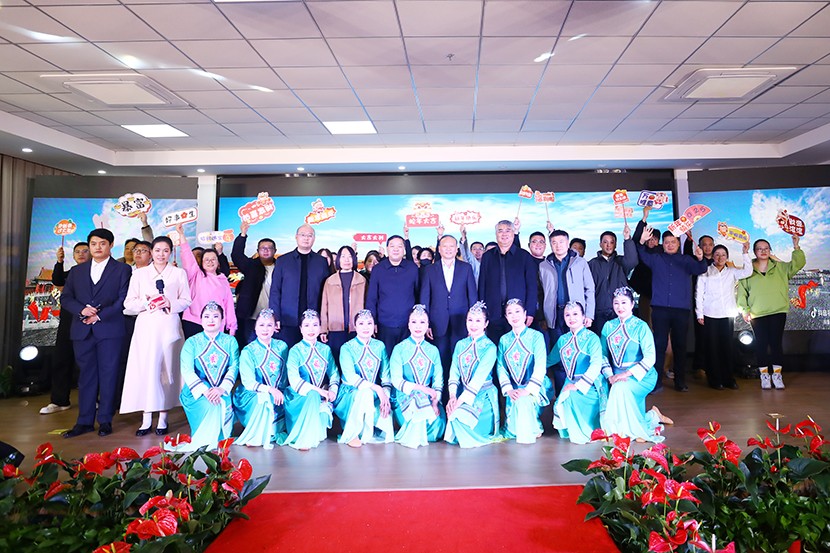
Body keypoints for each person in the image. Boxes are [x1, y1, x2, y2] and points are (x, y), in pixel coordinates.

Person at [61, 228, 132, 438]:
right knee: (86, 377)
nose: (97, 247)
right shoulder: (77, 271)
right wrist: (82, 310)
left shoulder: (122, 269)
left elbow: (123, 299)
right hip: (82, 330)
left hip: (110, 330)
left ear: (111, 245)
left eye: (102, 243)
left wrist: (99, 316)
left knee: (109, 375)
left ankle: (105, 420)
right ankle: (84, 422)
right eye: (93, 244)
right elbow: (66, 298)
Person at [121, 236, 191, 436]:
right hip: (146, 326)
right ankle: (145, 419)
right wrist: (147, 302)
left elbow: (186, 300)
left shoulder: (178, 273)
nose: (161, 254)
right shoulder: (139, 274)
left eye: (165, 250)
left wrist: (169, 303)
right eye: (157, 250)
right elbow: (128, 303)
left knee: (166, 369)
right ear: (151, 252)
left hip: (169, 325)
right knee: (146, 369)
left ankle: (163, 418)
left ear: (171, 252)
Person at [636, 227, 707, 392]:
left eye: (673, 242)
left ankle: (680, 382)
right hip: (660, 309)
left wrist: (700, 258)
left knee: (680, 346)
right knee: (659, 345)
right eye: (666, 242)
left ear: (678, 243)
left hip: (681, 310)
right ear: (663, 244)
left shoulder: (686, 260)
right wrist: (641, 241)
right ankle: (656, 382)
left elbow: (701, 269)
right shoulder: (656, 258)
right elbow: (642, 253)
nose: (669, 245)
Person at [600, 287, 672, 443]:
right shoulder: (608, 326)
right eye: (616, 303)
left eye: (624, 302)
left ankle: (633, 430)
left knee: (621, 387)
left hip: (642, 376)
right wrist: (609, 375)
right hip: (616, 375)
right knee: (617, 387)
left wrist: (626, 374)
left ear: (632, 304)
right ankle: (652, 416)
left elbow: (650, 357)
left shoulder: (641, 326)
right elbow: (603, 355)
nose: (620, 307)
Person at [737, 235, 805, 390]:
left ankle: (777, 375)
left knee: (775, 343)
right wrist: (744, 310)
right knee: (761, 344)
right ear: (754, 252)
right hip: (757, 313)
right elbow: (742, 293)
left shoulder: (780, 267)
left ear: (770, 250)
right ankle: (764, 376)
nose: (763, 251)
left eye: (766, 248)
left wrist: (796, 246)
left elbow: (798, 264)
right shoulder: (748, 270)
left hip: (778, 310)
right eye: (759, 249)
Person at [539, 229, 595, 394]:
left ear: (568, 243)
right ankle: (561, 395)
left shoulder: (580, 262)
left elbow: (589, 289)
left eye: (561, 242)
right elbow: (541, 293)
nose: (558, 246)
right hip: (555, 316)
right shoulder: (544, 265)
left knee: (579, 355)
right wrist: (543, 316)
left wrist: (589, 314)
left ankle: (578, 393)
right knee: (559, 358)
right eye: (554, 242)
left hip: (576, 316)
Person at [179, 302, 240, 449]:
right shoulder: (191, 342)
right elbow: (187, 370)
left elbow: (234, 366)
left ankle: (220, 439)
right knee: (211, 404)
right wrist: (205, 391)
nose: (211, 320)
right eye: (206, 316)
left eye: (215, 316)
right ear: (201, 320)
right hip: (197, 392)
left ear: (222, 319)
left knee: (220, 402)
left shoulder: (230, 341)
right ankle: (205, 440)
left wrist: (221, 389)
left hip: (221, 389)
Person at [419, 234, 477, 387]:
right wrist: (426, 322)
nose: (448, 249)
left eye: (452, 246)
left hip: (461, 321)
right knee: (440, 358)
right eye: (445, 246)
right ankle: (442, 393)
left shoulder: (466, 268)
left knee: (460, 358)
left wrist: (473, 323)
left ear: (457, 248)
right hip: (437, 322)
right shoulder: (430, 269)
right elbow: (425, 297)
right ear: (439, 249)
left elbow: (472, 296)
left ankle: (459, 392)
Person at [40, 242, 89, 415]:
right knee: (61, 360)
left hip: (89, 322)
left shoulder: (97, 273)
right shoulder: (71, 273)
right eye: (77, 252)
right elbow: (58, 280)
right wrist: (59, 261)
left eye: (85, 251)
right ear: (73, 256)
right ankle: (59, 401)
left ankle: (92, 400)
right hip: (68, 322)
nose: (81, 254)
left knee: (88, 364)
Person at [696, 242, 753, 390]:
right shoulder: (705, 271)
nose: (720, 257)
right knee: (712, 349)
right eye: (717, 255)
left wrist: (745, 253)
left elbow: (748, 271)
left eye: (723, 255)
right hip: (710, 314)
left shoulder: (732, 272)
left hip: (727, 315)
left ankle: (728, 378)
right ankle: (714, 380)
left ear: (727, 257)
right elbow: (699, 293)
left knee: (727, 348)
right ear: (712, 256)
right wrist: (699, 313)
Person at [548, 301, 607, 444]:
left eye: (575, 314)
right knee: (564, 400)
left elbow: (596, 364)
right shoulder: (562, 340)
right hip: (570, 382)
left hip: (591, 384)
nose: (571, 318)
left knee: (571, 397)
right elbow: (549, 360)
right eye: (567, 315)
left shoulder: (592, 338)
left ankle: (587, 432)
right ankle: (575, 431)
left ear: (583, 317)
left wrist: (578, 385)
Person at [334, 310, 393, 447]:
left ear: (374, 325)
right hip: (350, 393)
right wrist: (377, 388)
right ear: (355, 326)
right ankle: (352, 434)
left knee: (387, 430)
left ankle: (368, 432)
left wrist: (385, 396)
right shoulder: (347, 348)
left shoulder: (380, 346)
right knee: (365, 393)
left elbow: (386, 376)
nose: (365, 327)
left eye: (369, 323)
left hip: (374, 393)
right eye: (361, 323)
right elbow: (350, 377)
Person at [444, 302, 499, 448]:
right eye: (470, 320)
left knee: (457, 419)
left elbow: (477, 380)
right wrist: (452, 397)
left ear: (486, 324)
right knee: (454, 418)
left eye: (478, 320)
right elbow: (454, 372)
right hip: (462, 395)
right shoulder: (460, 345)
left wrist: (457, 403)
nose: (473, 324)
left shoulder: (490, 347)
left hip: (483, 397)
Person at [390, 305, 446, 449]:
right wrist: (421, 389)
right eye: (414, 322)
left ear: (428, 325)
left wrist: (435, 403)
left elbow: (438, 380)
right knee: (417, 399)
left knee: (438, 426)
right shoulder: (399, 349)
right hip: (404, 397)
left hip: (430, 398)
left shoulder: (433, 350)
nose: (418, 326)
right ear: (408, 324)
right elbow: (396, 380)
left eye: (422, 322)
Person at [496, 299, 551, 444]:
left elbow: (540, 365)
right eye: (510, 313)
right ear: (506, 317)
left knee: (524, 405)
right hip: (513, 389)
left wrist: (528, 390)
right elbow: (501, 367)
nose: (514, 316)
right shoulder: (504, 340)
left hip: (533, 387)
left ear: (525, 314)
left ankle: (535, 424)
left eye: (517, 311)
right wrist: (509, 389)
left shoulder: (536, 336)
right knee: (513, 430)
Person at [234, 309, 289, 449]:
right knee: (264, 398)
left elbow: (286, 375)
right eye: (261, 325)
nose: (265, 329)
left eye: (269, 325)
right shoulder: (248, 351)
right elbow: (248, 382)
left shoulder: (282, 346)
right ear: (255, 327)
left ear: (275, 327)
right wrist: (270, 390)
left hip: (279, 392)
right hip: (253, 393)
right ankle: (256, 434)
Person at [284, 309, 339, 450]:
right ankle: (303, 438)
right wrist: (319, 391)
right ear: (301, 329)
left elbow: (334, 373)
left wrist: (332, 390)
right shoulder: (295, 350)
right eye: (307, 325)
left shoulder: (325, 349)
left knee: (320, 435)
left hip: (321, 396)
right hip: (299, 397)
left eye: (315, 325)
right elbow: (294, 380)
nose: (311, 329)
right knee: (313, 394)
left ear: (320, 327)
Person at [478, 219, 538, 344]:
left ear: (513, 233)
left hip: (517, 313)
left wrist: (530, 312)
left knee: (517, 347)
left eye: (508, 230)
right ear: (496, 234)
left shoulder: (524, 256)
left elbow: (532, 287)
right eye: (500, 231)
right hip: (493, 313)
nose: (504, 234)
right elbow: (482, 285)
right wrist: (482, 311)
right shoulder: (487, 256)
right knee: (495, 346)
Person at [269, 224, 329, 347]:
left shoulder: (321, 262)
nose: (306, 238)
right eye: (303, 235)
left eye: (310, 235)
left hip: (313, 321)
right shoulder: (283, 261)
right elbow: (275, 290)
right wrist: (275, 316)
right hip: (287, 319)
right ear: (296, 237)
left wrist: (324, 320)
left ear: (314, 238)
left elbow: (326, 293)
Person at [176, 223, 236, 339]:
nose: (210, 262)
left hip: (216, 323)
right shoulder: (196, 275)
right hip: (194, 322)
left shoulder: (223, 279)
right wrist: (181, 234)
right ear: (201, 263)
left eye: (213, 259)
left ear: (218, 262)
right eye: (206, 259)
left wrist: (232, 326)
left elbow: (228, 304)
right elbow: (187, 255)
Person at [366, 235, 419, 355]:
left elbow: (417, 294)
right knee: (386, 357)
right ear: (387, 248)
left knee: (408, 357)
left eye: (399, 246)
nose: (396, 249)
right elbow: (372, 298)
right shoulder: (378, 269)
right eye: (392, 246)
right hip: (384, 324)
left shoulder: (412, 268)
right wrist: (372, 320)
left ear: (404, 249)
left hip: (408, 324)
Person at [231, 219, 277, 347]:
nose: (266, 250)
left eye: (269, 248)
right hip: (250, 316)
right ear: (258, 250)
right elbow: (237, 255)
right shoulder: (251, 266)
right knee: (248, 346)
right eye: (262, 248)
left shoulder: (281, 267)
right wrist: (243, 235)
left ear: (275, 250)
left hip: (272, 318)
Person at [320, 245, 366, 364]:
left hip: (357, 329)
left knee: (355, 362)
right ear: (338, 259)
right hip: (335, 328)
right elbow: (324, 306)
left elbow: (367, 305)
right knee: (336, 361)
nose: (346, 260)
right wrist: (323, 329)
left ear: (354, 259)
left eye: (350, 256)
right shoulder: (330, 281)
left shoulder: (362, 280)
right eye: (343, 256)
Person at [588, 226, 638, 335]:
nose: (608, 245)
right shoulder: (592, 264)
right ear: (600, 244)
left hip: (619, 311)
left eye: (612, 242)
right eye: (605, 242)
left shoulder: (621, 262)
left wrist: (627, 239)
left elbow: (633, 261)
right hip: (599, 311)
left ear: (615, 245)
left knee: (619, 340)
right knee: (601, 340)